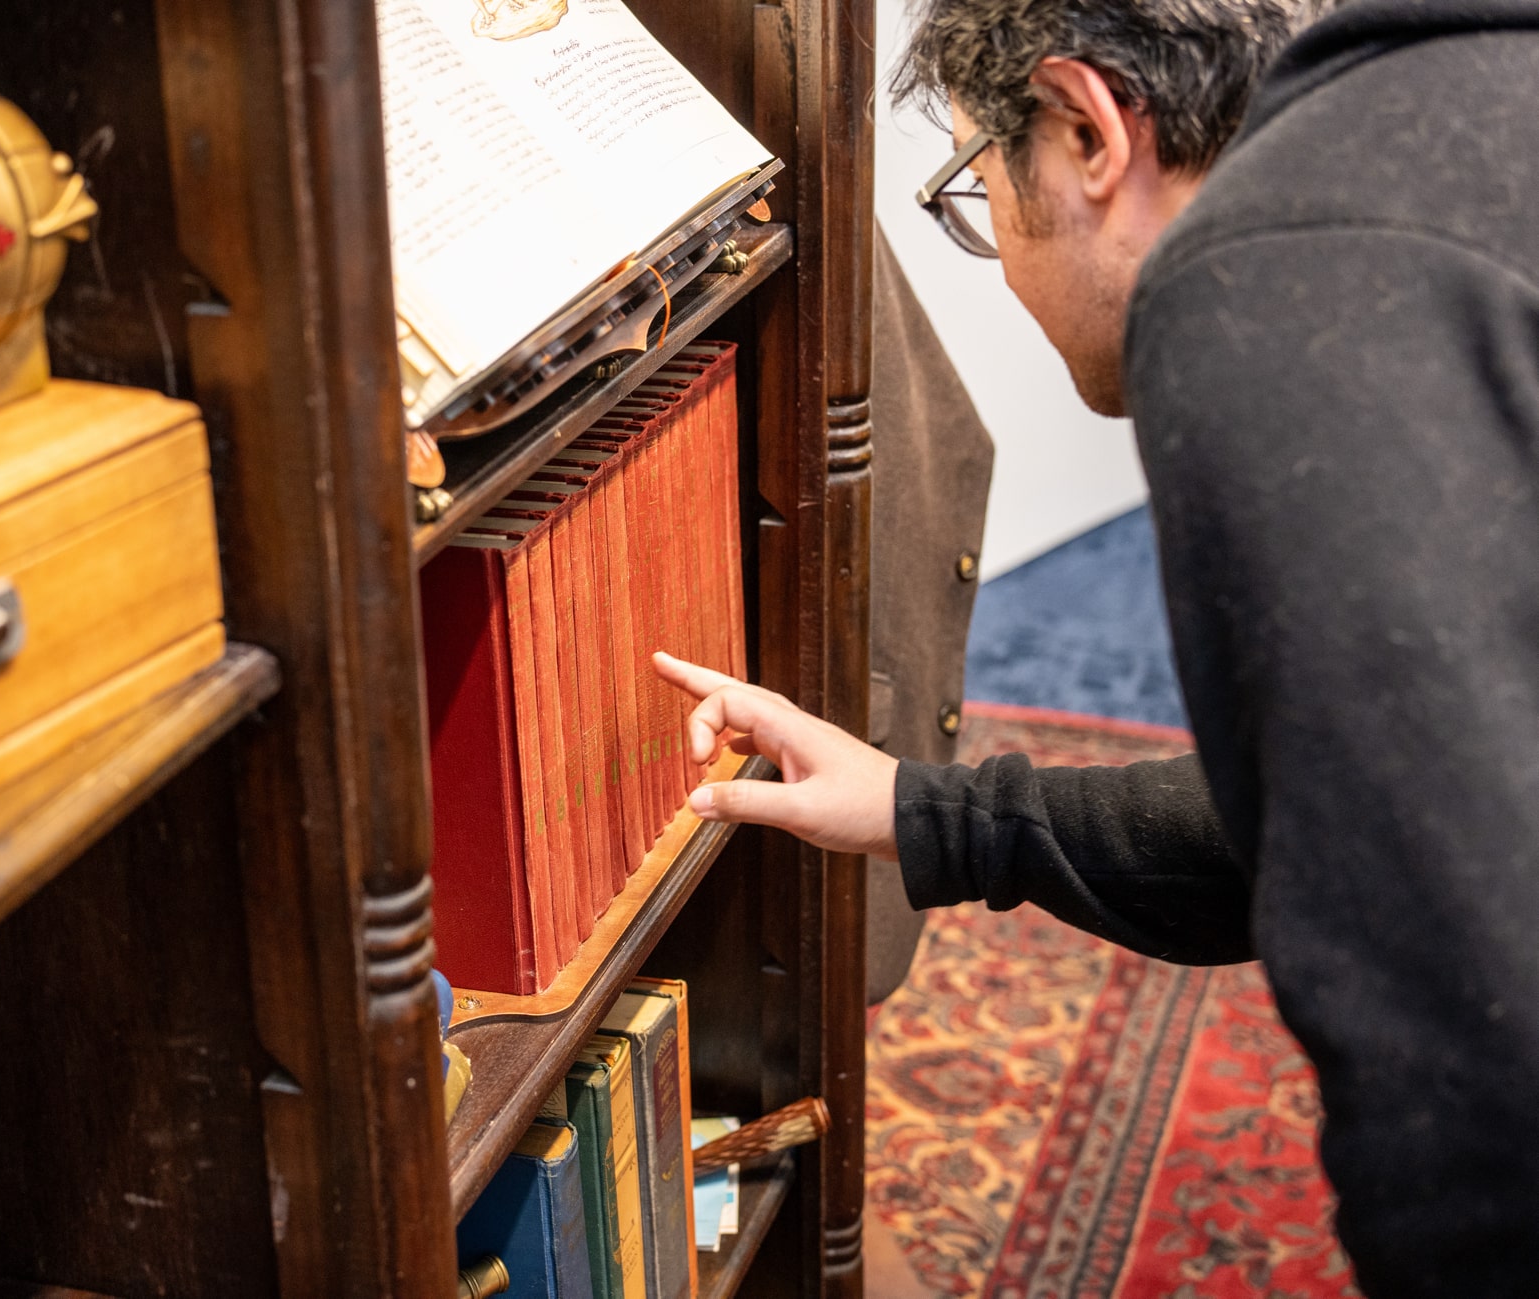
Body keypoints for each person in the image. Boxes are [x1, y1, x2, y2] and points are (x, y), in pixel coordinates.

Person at [653, 0, 1539, 1293]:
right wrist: (928, 813)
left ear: (1086, 131)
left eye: (976, 187)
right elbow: (1321, 812)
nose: (999, 260)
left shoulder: (1267, 282)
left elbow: (1449, 994)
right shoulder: (1453, 108)